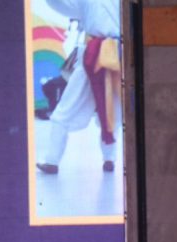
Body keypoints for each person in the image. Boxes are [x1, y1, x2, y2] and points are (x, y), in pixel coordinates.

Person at [36, 0, 121, 174]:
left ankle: (52, 161)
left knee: (67, 111)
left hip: (104, 55)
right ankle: (109, 159)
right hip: (110, 56)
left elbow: (63, 6)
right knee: (112, 111)